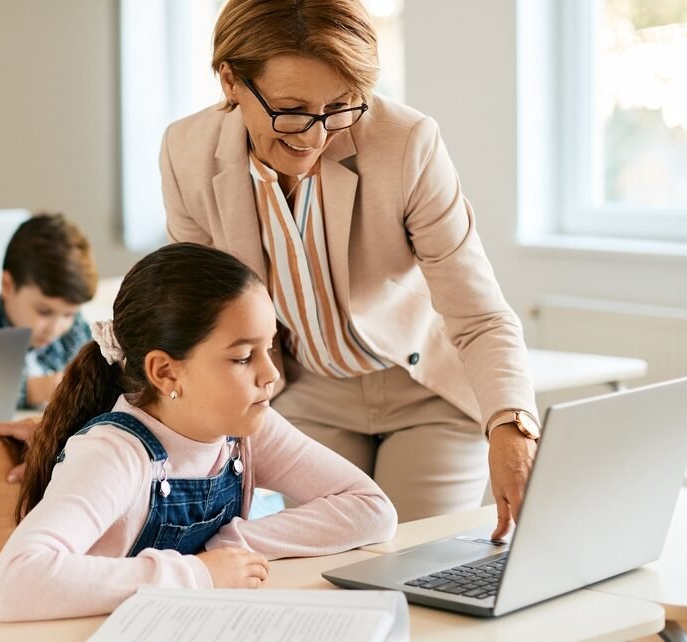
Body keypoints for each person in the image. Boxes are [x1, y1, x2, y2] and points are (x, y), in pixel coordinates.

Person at [159, 0, 539, 535]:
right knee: (334, 570)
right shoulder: (187, 151)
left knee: (418, 566)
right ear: (230, 79)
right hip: (309, 393)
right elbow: (190, 313)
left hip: (422, 388)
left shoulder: (407, 143)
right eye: (290, 110)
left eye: (340, 106)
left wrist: (512, 426)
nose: (315, 137)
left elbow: (477, 314)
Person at [0, 243, 396, 622]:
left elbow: (372, 510)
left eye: (269, 348)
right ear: (165, 372)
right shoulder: (114, 454)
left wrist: (233, 543)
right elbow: (14, 584)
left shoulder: (247, 429)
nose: (270, 374)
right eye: (242, 357)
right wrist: (197, 572)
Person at [0, 213, 96, 410]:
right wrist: (31, 390)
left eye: (68, 314)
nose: (56, 327)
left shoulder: (76, 332)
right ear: (7, 285)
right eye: (44, 311)